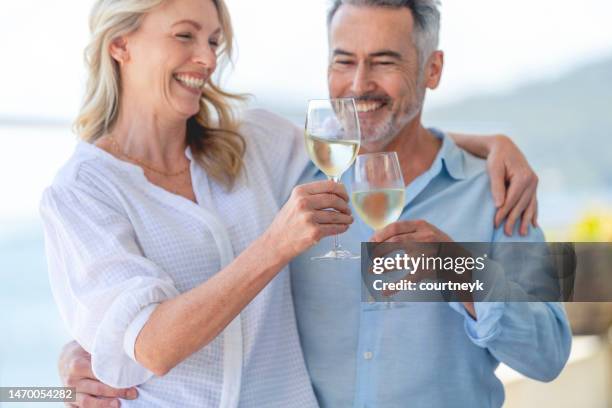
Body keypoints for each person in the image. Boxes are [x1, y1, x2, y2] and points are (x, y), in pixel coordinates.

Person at [51, 0, 542, 407]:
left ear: (432, 69)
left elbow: (552, 346)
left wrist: (489, 145)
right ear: (119, 44)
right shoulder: (80, 191)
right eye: (186, 36)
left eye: (215, 41)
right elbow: (144, 343)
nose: (206, 57)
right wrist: (95, 345)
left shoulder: (255, 143)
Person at [289, 1, 571, 407]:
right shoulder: (295, 178)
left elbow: (549, 355)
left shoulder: (494, 193)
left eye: (384, 62)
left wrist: (462, 273)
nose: (358, 85)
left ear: (432, 69)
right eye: (344, 61)